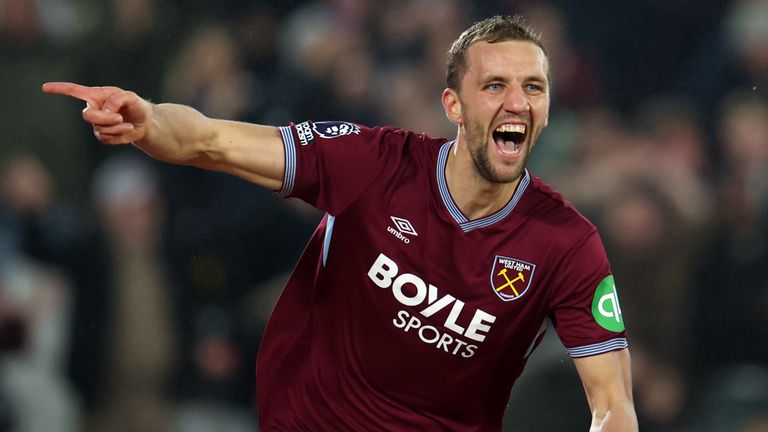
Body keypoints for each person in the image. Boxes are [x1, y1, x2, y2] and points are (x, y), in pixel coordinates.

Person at [42, 15, 637, 431]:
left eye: (533, 87)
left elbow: (612, 404)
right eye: (495, 85)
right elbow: (212, 140)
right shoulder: (375, 163)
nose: (517, 102)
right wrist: (148, 121)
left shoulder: (567, 244)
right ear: (453, 104)